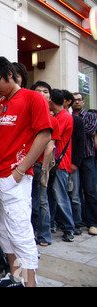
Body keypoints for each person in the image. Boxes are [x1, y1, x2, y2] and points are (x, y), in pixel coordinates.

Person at [0, 56, 52, 287]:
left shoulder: (33, 98)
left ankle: (30, 283)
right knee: (2, 231)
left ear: (9, 74)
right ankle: (16, 278)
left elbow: (44, 134)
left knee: (20, 232)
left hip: (16, 176)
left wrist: (20, 171)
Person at [30, 81, 59, 247]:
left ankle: (44, 235)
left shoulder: (53, 121)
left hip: (40, 165)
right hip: (25, 166)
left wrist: (43, 169)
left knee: (41, 202)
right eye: (38, 90)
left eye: (45, 91)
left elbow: (50, 146)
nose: (42, 93)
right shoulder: (28, 115)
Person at [48, 89, 75, 242]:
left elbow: (51, 134)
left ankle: (68, 227)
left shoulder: (64, 116)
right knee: (54, 195)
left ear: (52, 101)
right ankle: (53, 224)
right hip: (58, 162)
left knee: (60, 195)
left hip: (60, 163)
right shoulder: (60, 115)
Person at [72, 92, 97, 236]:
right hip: (74, 159)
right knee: (75, 192)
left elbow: (90, 129)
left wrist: (76, 127)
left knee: (89, 191)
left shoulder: (91, 116)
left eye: (79, 100)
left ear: (83, 102)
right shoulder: (69, 117)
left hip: (87, 157)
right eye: (74, 100)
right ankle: (78, 221)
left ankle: (93, 222)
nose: (77, 102)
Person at [63, 89, 86, 234]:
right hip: (60, 163)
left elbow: (80, 143)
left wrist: (75, 163)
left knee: (75, 195)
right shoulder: (60, 117)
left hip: (71, 162)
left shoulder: (77, 120)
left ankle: (77, 222)